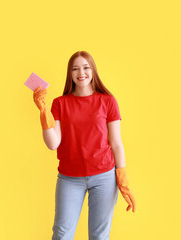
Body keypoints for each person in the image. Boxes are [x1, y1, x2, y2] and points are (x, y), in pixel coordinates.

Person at [32, 51, 136, 240]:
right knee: (62, 233)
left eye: (86, 67)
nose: (81, 72)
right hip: (69, 178)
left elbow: (116, 143)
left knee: (99, 236)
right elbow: (53, 143)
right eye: (75, 68)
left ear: (93, 70)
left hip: (104, 177)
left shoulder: (108, 101)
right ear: (70, 74)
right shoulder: (59, 103)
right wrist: (43, 111)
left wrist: (122, 178)